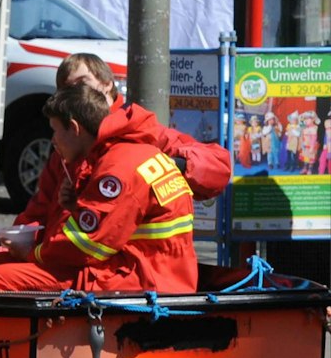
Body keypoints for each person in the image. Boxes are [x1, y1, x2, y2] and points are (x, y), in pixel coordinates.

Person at [0, 86, 196, 296]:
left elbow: (84, 245)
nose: (53, 140)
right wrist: (76, 207)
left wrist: (31, 252)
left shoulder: (117, 168)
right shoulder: (128, 153)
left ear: (75, 128)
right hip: (149, 270)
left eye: (55, 130)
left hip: (140, 278)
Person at [15, 53, 230, 237]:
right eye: (66, 91)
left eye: (81, 84)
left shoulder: (140, 131)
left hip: (123, 263)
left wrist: (171, 165)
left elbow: (218, 168)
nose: (75, 95)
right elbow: (37, 214)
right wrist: (16, 241)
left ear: (107, 84)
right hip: (70, 255)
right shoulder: (64, 151)